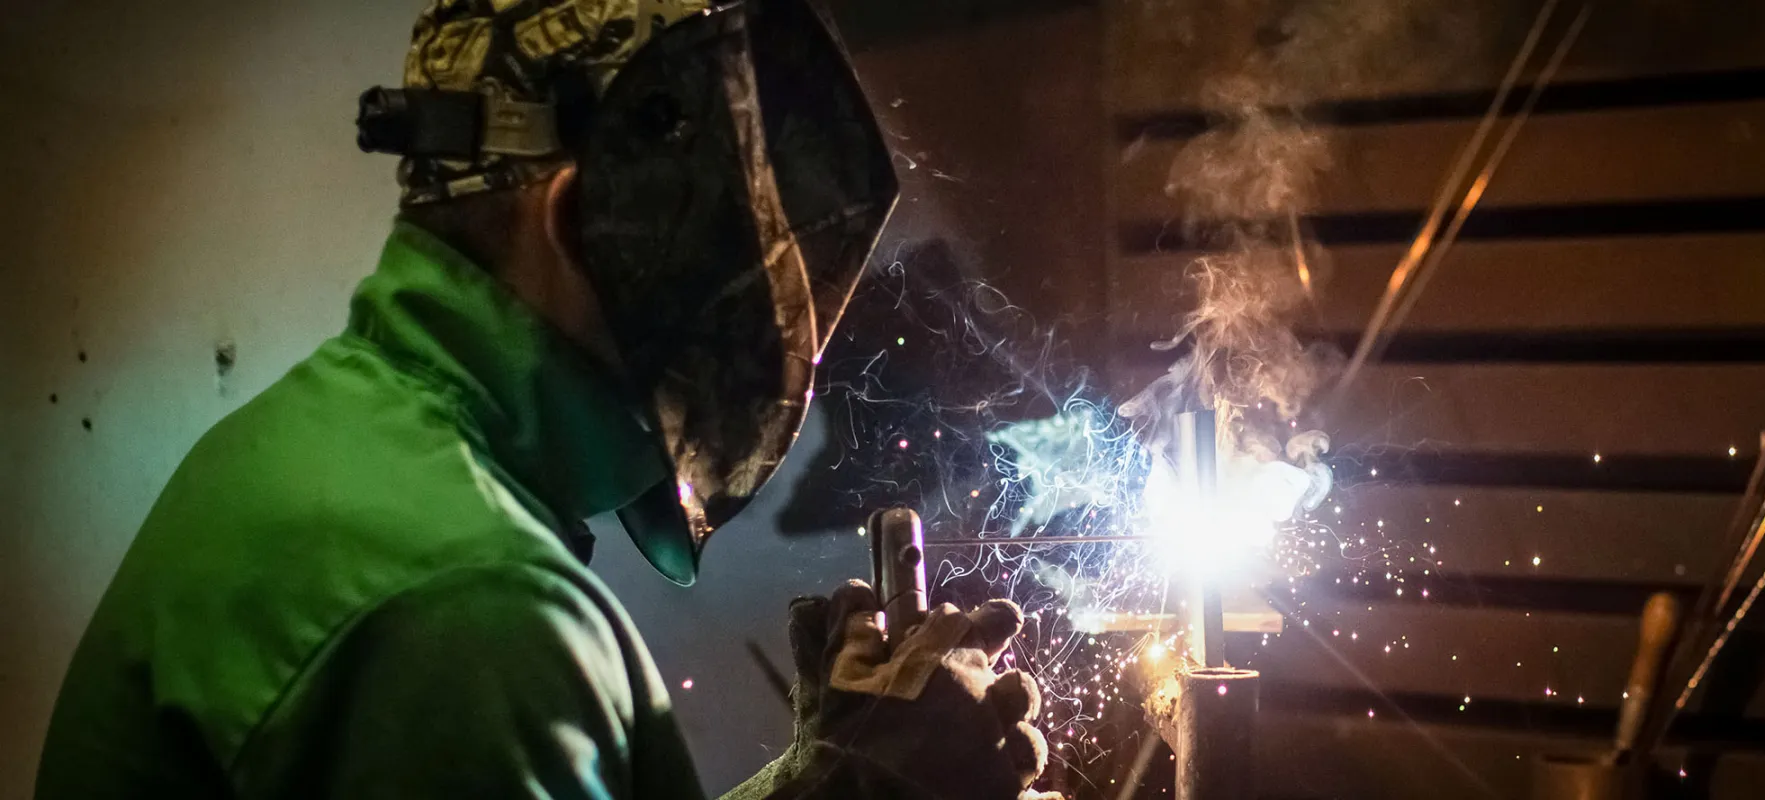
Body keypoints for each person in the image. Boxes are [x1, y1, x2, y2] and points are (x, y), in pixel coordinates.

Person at [34, 1, 1057, 798]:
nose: (774, 332)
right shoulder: (464, 605)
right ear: (586, 225)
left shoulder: (329, 448)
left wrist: (823, 769)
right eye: (734, 262)